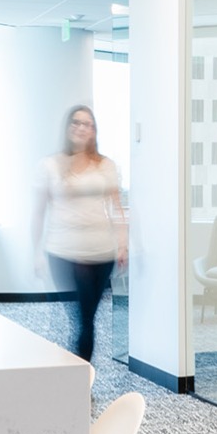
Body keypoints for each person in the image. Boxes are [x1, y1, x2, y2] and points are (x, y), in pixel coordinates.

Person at [33, 105, 128, 361]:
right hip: (64, 252)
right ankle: (80, 375)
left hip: (101, 252)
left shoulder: (106, 166)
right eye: (76, 122)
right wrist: (36, 253)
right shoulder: (50, 165)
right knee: (84, 317)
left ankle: (80, 372)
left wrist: (123, 244)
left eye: (88, 123)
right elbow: (39, 212)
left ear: (94, 130)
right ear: (68, 127)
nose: (81, 127)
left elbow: (117, 208)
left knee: (87, 316)